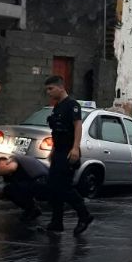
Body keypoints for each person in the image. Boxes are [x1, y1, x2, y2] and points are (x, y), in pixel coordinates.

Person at [44, 75, 93, 235]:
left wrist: (75, 148)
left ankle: (84, 215)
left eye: (51, 89)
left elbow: (77, 126)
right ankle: (56, 222)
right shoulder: (58, 106)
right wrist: (52, 150)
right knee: (53, 187)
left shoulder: (72, 105)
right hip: (58, 151)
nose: (48, 92)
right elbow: (56, 130)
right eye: (47, 89)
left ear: (60, 87)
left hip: (68, 151)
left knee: (64, 187)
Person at [0, 155, 49, 223]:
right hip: (45, 185)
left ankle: (32, 209)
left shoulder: (13, 159)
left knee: (9, 189)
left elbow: (11, 168)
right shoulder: (20, 169)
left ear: (3, 162)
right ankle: (32, 210)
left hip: (43, 182)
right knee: (10, 189)